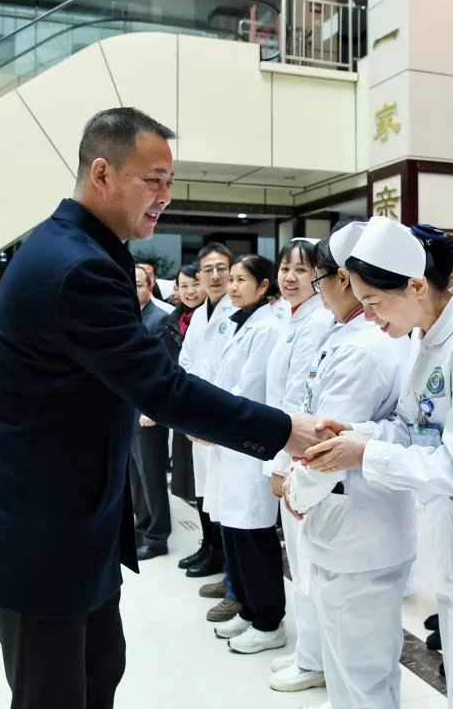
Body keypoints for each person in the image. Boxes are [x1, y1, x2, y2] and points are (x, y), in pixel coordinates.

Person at [0, 107, 327, 709]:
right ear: (102, 173)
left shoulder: (88, 249)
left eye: (170, 181)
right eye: (154, 180)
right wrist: (284, 430)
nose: (166, 196)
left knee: (99, 672)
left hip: (71, 524)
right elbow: (162, 388)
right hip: (38, 536)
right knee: (55, 694)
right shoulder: (75, 267)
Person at [304, 217, 453, 709]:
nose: (369, 317)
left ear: (416, 286)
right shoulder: (427, 336)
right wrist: (359, 434)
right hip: (450, 532)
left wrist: (367, 453)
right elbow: (412, 427)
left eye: (374, 303)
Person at [284, 223, 414, 709]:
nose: (317, 291)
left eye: (319, 280)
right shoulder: (347, 335)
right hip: (348, 523)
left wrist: (297, 491)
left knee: (362, 669)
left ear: (345, 279)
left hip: (360, 525)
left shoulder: (364, 347)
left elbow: (329, 441)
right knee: (350, 661)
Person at [204, 255, 290, 655]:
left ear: (263, 286)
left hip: (248, 445)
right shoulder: (236, 321)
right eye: (232, 279)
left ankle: (268, 620)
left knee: (253, 536)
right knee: (233, 531)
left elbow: (250, 387)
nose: (233, 286)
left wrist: (211, 421)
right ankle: (247, 607)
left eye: (241, 280)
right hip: (228, 441)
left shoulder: (267, 327)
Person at [263, 238, 335, 693]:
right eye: (285, 268)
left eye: (301, 269)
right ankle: (309, 652)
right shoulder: (291, 317)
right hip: (287, 449)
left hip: (296, 454)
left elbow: (298, 400)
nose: (290, 277)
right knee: (300, 562)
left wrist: (279, 462)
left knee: (307, 564)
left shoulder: (317, 323)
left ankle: (315, 660)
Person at [177, 243, 242, 623]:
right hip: (201, 424)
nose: (216, 276)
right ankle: (221, 565)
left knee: (235, 511)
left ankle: (237, 584)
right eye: (209, 270)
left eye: (222, 268)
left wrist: (209, 420)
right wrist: (191, 416)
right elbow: (186, 364)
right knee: (210, 501)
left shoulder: (240, 313)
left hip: (224, 427)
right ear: (199, 276)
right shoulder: (200, 315)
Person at [130, 265, 173, 560]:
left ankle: (158, 537)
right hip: (127, 409)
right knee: (135, 475)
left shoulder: (160, 319)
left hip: (148, 411)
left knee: (152, 475)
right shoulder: (127, 317)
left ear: (150, 286)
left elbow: (163, 369)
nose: (132, 290)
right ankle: (142, 527)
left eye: (138, 284)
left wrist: (153, 408)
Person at [158, 264, 206, 505]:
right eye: (184, 286)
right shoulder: (171, 321)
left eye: (195, 284)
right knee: (188, 474)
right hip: (181, 400)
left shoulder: (212, 316)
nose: (190, 291)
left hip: (204, 399)